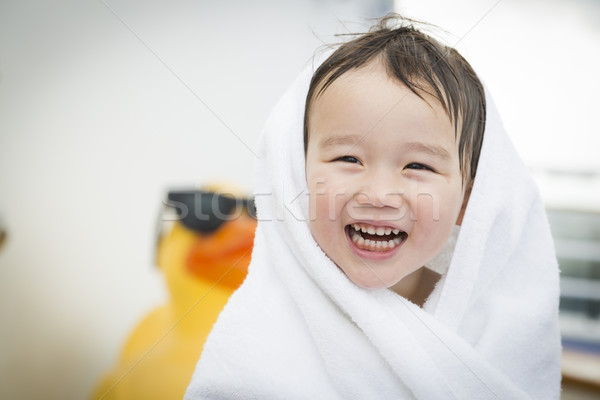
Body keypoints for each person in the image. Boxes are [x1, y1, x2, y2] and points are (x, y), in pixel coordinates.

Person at [185, 14, 561, 399]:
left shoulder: (497, 328)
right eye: (348, 158)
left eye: (418, 165)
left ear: (469, 202)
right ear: (298, 179)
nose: (379, 194)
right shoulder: (259, 331)